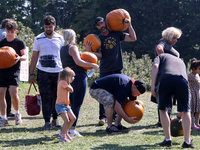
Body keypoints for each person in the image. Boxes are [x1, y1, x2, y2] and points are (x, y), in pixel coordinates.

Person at [85, 16, 137, 126]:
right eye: (98, 25)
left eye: (102, 23)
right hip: (105, 70)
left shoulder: (116, 33)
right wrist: (90, 52)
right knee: (104, 94)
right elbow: (100, 55)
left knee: (117, 94)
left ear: (105, 22)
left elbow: (133, 38)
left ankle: (114, 118)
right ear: (97, 27)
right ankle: (102, 117)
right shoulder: (98, 38)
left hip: (118, 69)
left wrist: (129, 25)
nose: (101, 26)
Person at [151, 53, 196, 148]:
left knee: (163, 110)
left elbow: (155, 66)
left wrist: (152, 86)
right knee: (186, 110)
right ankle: (187, 142)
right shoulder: (181, 60)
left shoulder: (160, 56)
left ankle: (168, 140)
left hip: (165, 80)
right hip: (182, 80)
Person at [60, 29, 99, 137]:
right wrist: (93, 65)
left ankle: (66, 129)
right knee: (77, 104)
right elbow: (78, 62)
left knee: (70, 104)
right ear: (73, 37)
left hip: (68, 78)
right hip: (78, 77)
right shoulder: (73, 47)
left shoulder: (62, 49)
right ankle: (71, 130)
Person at [30, 15, 64, 130]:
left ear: (54, 26)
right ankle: (46, 121)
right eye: (46, 27)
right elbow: (34, 57)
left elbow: (64, 56)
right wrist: (31, 73)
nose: (48, 29)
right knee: (45, 97)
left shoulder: (60, 39)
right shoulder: (38, 38)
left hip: (58, 72)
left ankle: (55, 118)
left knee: (57, 97)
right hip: (43, 72)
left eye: (50, 27)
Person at [153, 27, 182, 127]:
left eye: (177, 38)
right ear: (168, 37)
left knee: (168, 98)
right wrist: (165, 60)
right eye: (174, 38)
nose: (176, 40)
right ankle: (162, 121)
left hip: (170, 75)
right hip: (165, 75)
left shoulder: (168, 44)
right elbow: (159, 49)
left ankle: (164, 119)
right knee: (166, 98)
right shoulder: (163, 42)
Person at [0, 19, 26, 127]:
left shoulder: (19, 42)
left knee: (13, 93)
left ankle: (17, 113)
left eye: (12, 31)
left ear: (15, 31)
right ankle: (3, 118)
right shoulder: (1, 43)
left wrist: (19, 58)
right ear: (5, 30)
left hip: (14, 70)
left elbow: (25, 56)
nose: (10, 34)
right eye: (8, 31)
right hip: (2, 70)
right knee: (1, 93)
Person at [55, 67, 76, 142]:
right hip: (60, 105)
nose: (73, 78)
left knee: (73, 118)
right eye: (72, 76)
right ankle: (62, 137)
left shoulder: (65, 82)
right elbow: (71, 90)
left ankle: (65, 132)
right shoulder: (63, 82)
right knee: (66, 121)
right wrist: (69, 84)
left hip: (66, 105)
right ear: (67, 77)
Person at [0, 18, 15, 119]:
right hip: (7, 62)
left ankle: (3, 112)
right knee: (7, 90)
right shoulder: (5, 35)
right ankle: (8, 111)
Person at [188, 58, 200, 130]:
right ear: (193, 68)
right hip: (192, 95)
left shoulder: (197, 75)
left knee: (198, 110)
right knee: (192, 110)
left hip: (198, 94)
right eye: (199, 68)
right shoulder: (190, 75)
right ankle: (192, 125)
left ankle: (197, 123)